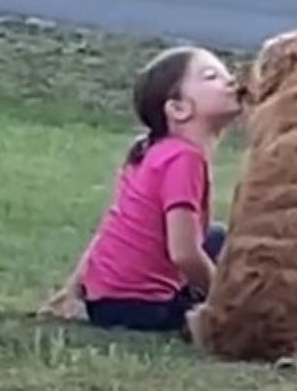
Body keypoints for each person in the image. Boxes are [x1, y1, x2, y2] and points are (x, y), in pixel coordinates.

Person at [38, 45, 241, 332]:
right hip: (141, 309)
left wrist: (73, 289)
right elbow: (184, 254)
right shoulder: (184, 159)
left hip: (105, 301)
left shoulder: (152, 150)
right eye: (212, 77)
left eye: (228, 74)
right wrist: (225, 304)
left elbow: (113, 226)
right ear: (179, 109)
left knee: (218, 237)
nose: (231, 82)